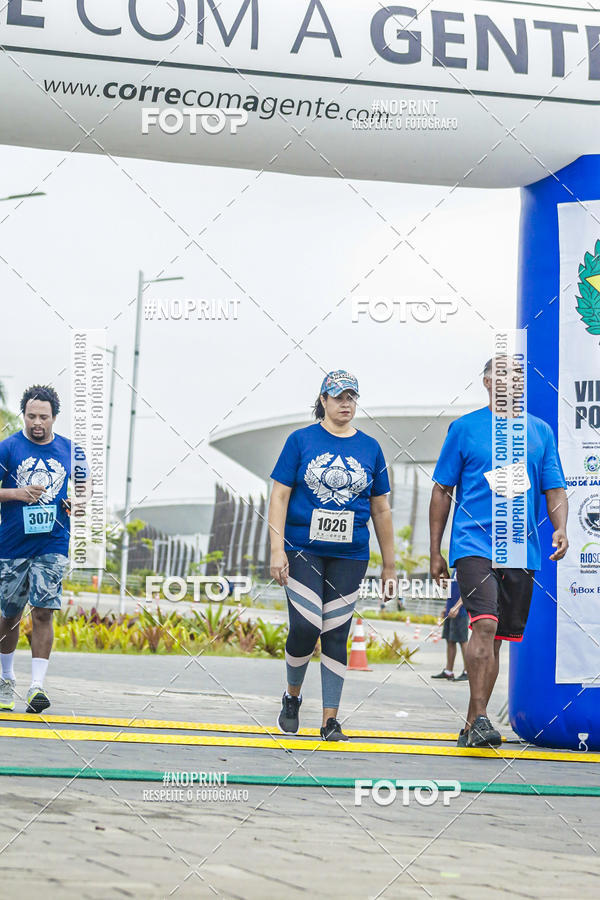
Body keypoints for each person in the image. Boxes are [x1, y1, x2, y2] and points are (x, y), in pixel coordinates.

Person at [429, 356, 568, 748]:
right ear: (488, 383)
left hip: (520, 548)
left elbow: (555, 488)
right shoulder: (465, 428)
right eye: (504, 376)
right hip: (473, 544)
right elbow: (441, 489)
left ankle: (473, 723)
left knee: (496, 639)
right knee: (485, 625)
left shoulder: (539, 432)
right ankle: (482, 719)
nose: (513, 382)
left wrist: (561, 527)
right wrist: (435, 551)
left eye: (519, 376)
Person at [269, 370, 396, 741]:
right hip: (302, 549)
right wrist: (276, 549)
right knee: (306, 627)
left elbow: (381, 509)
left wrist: (389, 566)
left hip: (350, 554)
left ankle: (330, 720)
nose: (345, 404)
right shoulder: (300, 441)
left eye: (351, 397)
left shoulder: (370, 448)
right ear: (323, 400)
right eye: (338, 397)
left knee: (337, 632)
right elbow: (279, 496)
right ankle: (292, 696)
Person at [0, 385, 90, 713]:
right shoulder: (8, 448)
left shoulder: (71, 451)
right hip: (12, 544)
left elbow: (85, 489)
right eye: (31, 416)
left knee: (43, 610)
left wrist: (78, 502)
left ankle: (37, 686)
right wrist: (16, 493)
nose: (37, 422)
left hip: (53, 542)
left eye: (44, 417)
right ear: (23, 415)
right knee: (10, 615)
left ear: (54, 417)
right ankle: (6, 678)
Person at [431, 571, 468, 682]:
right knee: (450, 640)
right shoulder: (455, 569)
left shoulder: (466, 568)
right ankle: (448, 671)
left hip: (460, 611)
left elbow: (468, 590)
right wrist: (446, 607)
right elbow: (452, 590)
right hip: (450, 610)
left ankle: (468, 671)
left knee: (463, 641)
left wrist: (457, 607)